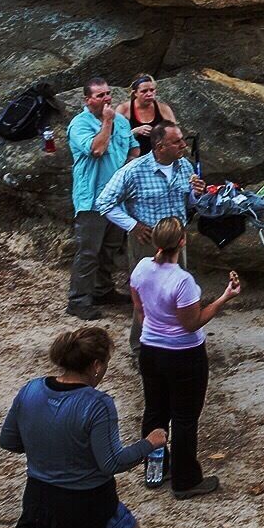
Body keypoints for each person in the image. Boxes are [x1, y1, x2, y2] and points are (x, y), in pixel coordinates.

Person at [0, 326, 197, 528]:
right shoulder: (97, 404)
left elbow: (10, 441)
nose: (104, 370)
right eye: (104, 363)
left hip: (41, 500)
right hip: (92, 504)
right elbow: (110, 463)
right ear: (94, 365)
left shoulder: (31, 391)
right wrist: (149, 443)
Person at [131, 217, 240, 499]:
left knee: (155, 410)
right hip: (184, 355)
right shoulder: (183, 281)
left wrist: (155, 331)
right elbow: (192, 322)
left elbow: (139, 310)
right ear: (183, 241)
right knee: (184, 417)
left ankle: (155, 469)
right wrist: (224, 298)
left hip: (150, 350)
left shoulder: (141, 269)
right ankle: (185, 480)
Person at [95, 124, 201, 355]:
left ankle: (177, 337)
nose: (184, 145)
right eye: (177, 142)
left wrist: (196, 194)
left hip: (177, 239)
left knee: (178, 290)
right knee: (147, 294)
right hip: (148, 240)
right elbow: (103, 203)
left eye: (183, 140)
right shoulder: (134, 171)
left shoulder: (185, 166)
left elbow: (190, 203)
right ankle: (141, 346)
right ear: (160, 147)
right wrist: (132, 225)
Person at [65, 76, 134, 320]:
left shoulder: (122, 122)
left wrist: (129, 172)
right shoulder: (79, 125)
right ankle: (78, 300)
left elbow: (133, 148)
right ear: (87, 99)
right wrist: (106, 122)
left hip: (117, 199)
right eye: (100, 95)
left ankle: (102, 290)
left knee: (110, 248)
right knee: (88, 251)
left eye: (107, 94)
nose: (106, 98)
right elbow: (97, 150)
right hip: (91, 198)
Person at [121, 73, 179, 163]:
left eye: (152, 90)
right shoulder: (124, 109)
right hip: (133, 159)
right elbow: (115, 138)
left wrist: (158, 132)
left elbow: (176, 134)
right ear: (135, 93)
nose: (149, 94)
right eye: (144, 91)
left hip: (158, 158)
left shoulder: (163, 109)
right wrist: (135, 131)